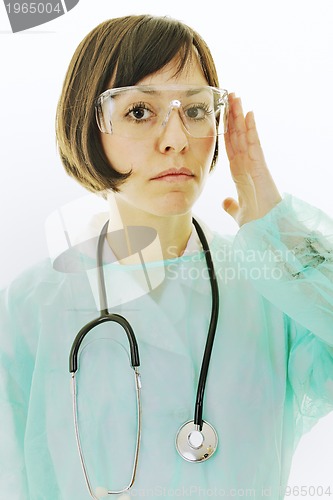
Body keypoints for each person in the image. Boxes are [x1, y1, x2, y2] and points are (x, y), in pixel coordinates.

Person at [1, 13, 333, 500]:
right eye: (140, 111)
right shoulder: (34, 304)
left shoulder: (271, 285)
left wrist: (280, 233)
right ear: (89, 126)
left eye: (196, 111)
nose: (176, 138)